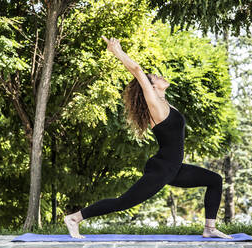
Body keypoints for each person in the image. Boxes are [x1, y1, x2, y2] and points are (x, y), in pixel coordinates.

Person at [64, 36, 233, 239]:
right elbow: (136, 70)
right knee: (123, 202)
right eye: (154, 76)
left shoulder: (166, 103)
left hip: (174, 169)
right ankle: (74, 218)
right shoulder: (155, 104)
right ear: (151, 87)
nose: (159, 76)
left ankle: (209, 228)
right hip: (162, 169)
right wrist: (117, 51)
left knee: (214, 180)